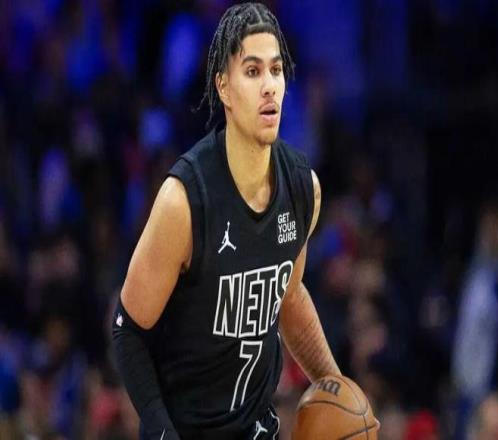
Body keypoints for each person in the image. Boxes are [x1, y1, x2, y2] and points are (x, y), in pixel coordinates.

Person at [112, 3, 342, 439]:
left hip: (257, 428)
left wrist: (336, 385)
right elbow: (128, 331)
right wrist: (162, 432)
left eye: (276, 70)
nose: (269, 86)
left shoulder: (303, 187)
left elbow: (289, 296)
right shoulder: (183, 200)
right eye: (252, 72)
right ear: (224, 87)